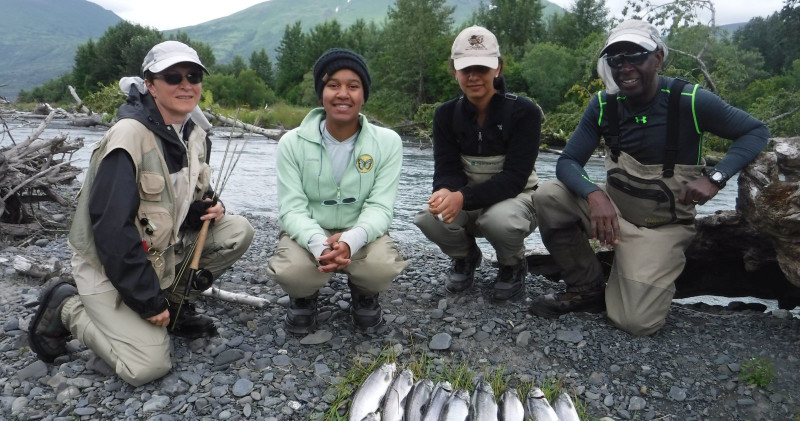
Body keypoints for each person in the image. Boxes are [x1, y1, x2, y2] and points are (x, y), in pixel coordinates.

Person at [28, 41, 255, 386]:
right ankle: (68, 306)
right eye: (173, 76)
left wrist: (203, 209)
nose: (186, 84)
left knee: (237, 230)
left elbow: (178, 196)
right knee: (147, 367)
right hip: (108, 267)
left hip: (159, 255)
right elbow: (112, 231)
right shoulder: (127, 136)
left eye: (193, 76)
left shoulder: (195, 132)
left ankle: (175, 307)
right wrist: (148, 302)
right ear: (150, 84)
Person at [529, 20, 770, 336]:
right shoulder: (603, 105)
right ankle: (585, 288)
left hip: (663, 229)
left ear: (657, 58)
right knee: (548, 196)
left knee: (636, 323)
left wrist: (715, 178)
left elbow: (756, 131)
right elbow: (569, 162)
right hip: (613, 214)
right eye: (616, 60)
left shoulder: (691, 101)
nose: (625, 68)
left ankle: (633, 274)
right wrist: (594, 194)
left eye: (635, 57)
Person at [266, 48, 407, 334]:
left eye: (353, 86)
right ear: (321, 94)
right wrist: (320, 244)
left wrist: (352, 240)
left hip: (362, 231)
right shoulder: (290, 143)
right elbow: (292, 209)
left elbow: (381, 207)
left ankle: (364, 293)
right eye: (333, 85)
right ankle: (303, 297)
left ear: (363, 95)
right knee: (291, 271)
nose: (343, 93)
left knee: (381, 268)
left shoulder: (389, 142)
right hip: (310, 232)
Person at [414, 26, 541, 301]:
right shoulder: (445, 114)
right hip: (468, 200)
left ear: (498, 68)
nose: (473, 77)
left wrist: (461, 197)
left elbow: (515, 178)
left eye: (481, 68)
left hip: (516, 199)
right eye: (465, 68)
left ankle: (513, 263)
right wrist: (445, 191)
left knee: (499, 219)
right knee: (428, 217)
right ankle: (466, 257)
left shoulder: (525, 112)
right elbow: (446, 169)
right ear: (454, 71)